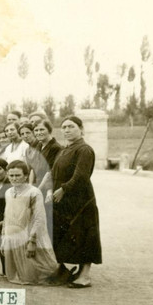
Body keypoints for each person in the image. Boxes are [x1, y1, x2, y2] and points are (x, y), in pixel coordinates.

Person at [48, 116, 102, 288]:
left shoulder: (84, 150)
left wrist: (63, 189)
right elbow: (54, 173)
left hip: (80, 200)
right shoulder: (65, 149)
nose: (66, 130)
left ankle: (84, 276)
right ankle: (64, 270)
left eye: (71, 126)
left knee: (85, 236)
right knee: (63, 235)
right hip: (63, 200)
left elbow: (81, 176)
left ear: (81, 128)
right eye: (63, 127)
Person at [1, 160, 58, 285]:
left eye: (18, 175)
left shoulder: (34, 192)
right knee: (13, 275)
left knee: (36, 275)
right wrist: (4, 236)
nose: (14, 179)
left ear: (26, 176)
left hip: (28, 236)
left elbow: (39, 218)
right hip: (12, 236)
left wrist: (32, 241)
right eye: (11, 175)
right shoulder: (8, 192)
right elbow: (7, 215)